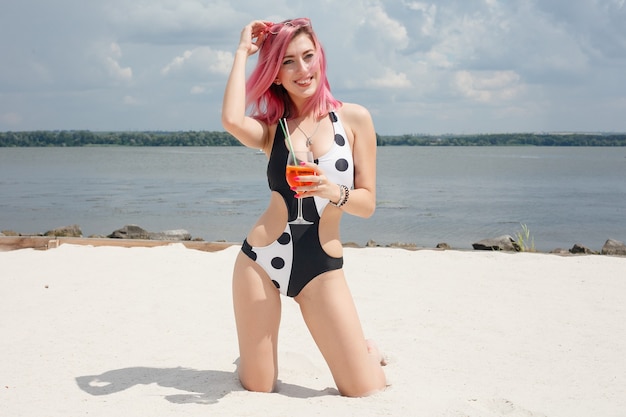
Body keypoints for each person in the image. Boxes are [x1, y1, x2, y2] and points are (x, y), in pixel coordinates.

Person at [221, 18, 386, 397]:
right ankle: (249, 358)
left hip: (321, 266)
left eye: (308, 56)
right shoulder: (271, 129)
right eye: (288, 62)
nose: (303, 69)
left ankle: (369, 353)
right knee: (259, 386)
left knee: (362, 389)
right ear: (275, 74)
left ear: (321, 58)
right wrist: (243, 52)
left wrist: (331, 189)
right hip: (261, 260)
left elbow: (368, 204)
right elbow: (230, 119)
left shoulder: (354, 119)